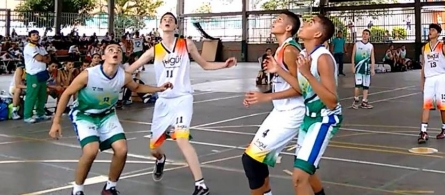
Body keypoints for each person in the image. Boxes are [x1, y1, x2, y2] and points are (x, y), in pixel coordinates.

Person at [126, 12, 237, 195]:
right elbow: (130, 69)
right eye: (164, 20)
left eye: (171, 20)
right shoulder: (154, 50)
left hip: (183, 98)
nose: (168, 21)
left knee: (182, 139)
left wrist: (224, 65)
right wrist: (107, 75)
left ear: (176, 26)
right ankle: (160, 160)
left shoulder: (186, 44)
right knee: (154, 148)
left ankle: (200, 185)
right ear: (160, 26)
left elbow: (205, 65)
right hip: (163, 101)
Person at [49, 43, 172, 195]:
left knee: (122, 150)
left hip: (107, 114)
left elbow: (137, 88)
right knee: (91, 151)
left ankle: (110, 188)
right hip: (84, 115)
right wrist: (56, 121)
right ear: (103, 57)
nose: (115, 52)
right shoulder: (89, 74)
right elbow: (67, 93)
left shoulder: (124, 76)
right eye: (111, 50)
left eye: (118, 51)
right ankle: (77, 190)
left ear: (121, 57)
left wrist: (159, 88)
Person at [266, 14, 340, 195]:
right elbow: (299, 86)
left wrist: (307, 73)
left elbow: (331, 101)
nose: (305, 23)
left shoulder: (323, 58)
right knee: (306, 169)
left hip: (325, 119)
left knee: (299, 177)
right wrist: (278, 70)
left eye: (311, 22)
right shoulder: (304, 55)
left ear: (318, 34)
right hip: (309, 118)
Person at [241, 11, 305, 195]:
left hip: (293, 112)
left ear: (288, 27)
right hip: (280, 111)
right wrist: (260, 94)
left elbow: (301, 88)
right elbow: (284, 84)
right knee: (255, 160)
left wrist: (265, 97)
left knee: (251, 160)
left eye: (279, 20)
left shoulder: (291, 50)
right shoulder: (280, 49)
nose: (274, 21)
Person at [418, 23, 445, 144]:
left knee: (442, 106)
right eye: (430, 30)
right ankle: (423, 132)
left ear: (438, 33)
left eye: (433, 30)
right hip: (429, 78)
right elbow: (423, 66)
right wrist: (422, 81)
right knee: (427, 105)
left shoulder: (444, 47)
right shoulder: (424, 48)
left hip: (442, 78)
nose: (430, 31)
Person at [23, 29, 51, 123]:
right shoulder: (29, 47)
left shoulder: (41, 47)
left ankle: (40, 113)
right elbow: (39, 58)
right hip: (33, 74)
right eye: (33, 35)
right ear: (29, 37)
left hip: (42, 73)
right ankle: (27, 115)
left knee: (42, 95)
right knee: (32, 95)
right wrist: (43, 58)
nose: (36, 36)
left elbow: (48, 58)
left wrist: (44, 58)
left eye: (37, 34)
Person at [351, 29, 375, 109]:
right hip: (358, 68)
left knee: (366, 85)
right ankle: (356, 100)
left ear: (369, 36)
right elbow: (353, 56)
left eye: (367, 34)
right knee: (358, 85)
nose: (365, 35)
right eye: (364, 34)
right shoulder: (357, 44)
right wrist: (353, 66)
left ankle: (364, 101)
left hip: (366, 68)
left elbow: (372, 58)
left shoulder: (370, 46)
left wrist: (372, 68)